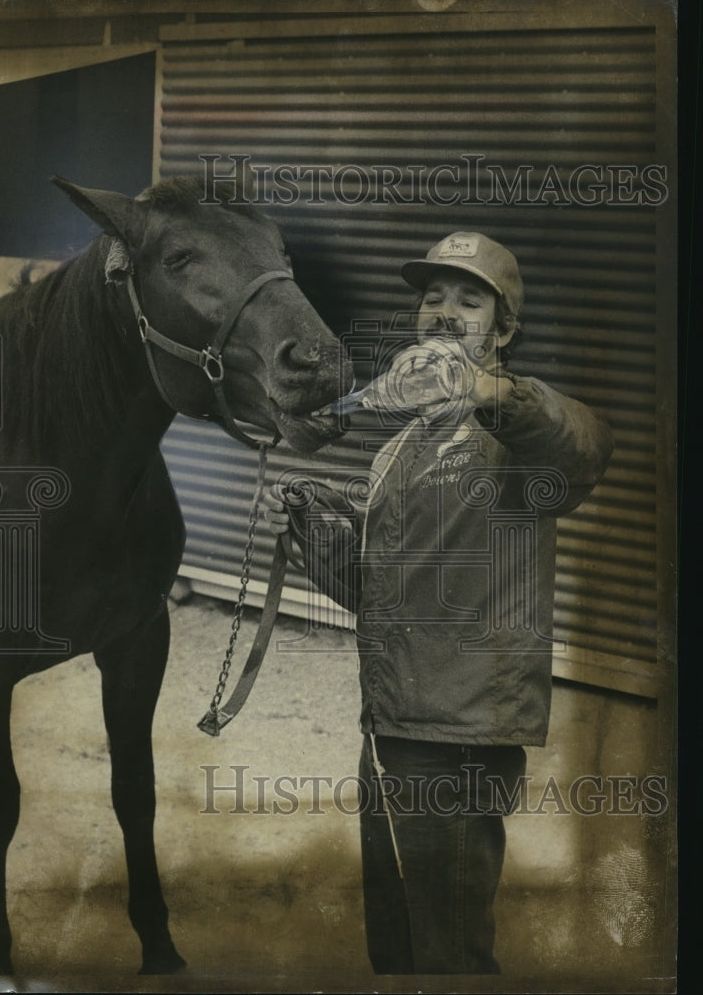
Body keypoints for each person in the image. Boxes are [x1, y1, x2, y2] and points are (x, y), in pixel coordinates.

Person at [263, 231, 614, 975]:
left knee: (450, 955)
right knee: (396, 943)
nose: (444, 311)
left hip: (457, 739)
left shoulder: (515, 435)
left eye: (469, 298)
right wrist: (314, 531)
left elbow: (587, 444)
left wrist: (491, 391)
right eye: (432, 297)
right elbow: (375, 596)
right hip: (392, 725)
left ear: (505, 329)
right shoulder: (408, 442)